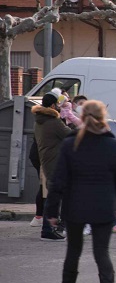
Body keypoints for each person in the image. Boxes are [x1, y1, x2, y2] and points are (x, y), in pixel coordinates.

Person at [46, 100, 116, 283]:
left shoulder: (70, 144)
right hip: (104, 206)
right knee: (102, 253)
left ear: (81, 118)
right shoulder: (114, 146)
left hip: (75, 205)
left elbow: (58, 180)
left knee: (73, 253)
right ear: (103, 118)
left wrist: (52, 211)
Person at [32, 90, 72, 241]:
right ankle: (49, 228)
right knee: (54, 197)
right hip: (56, 162)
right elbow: (69, 134)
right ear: (53, 105)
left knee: (53, 195)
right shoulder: (54, 122)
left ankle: (53, 226)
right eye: (57, 104)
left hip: (47, 161)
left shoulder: (39, 121)